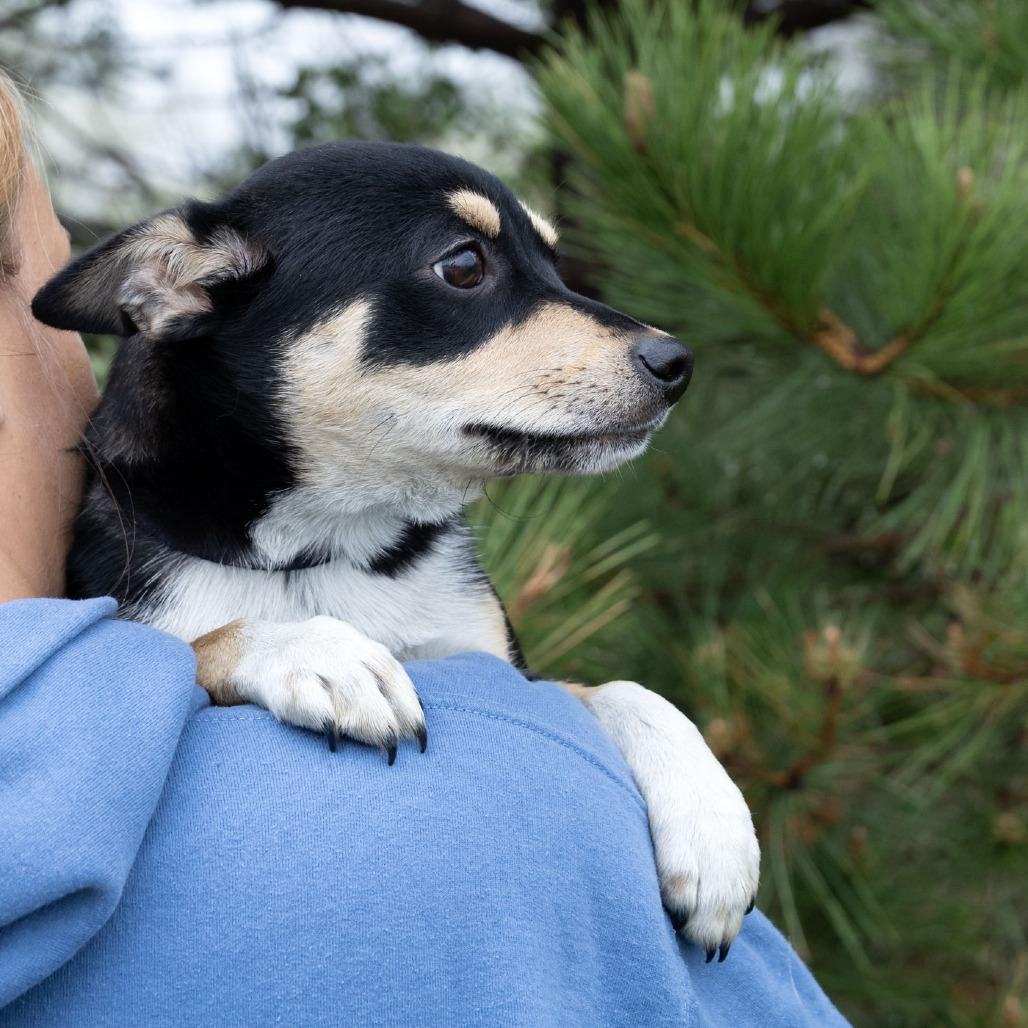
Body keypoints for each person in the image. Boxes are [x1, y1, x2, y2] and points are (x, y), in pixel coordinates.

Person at [0, 74, 849, 1027]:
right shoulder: (102, 604)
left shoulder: (433, 581)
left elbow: (530, 712)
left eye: (543, 268)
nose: (645, 347)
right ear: (191, 288)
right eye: (465, 270)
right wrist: (241, 656)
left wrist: (640, 724)